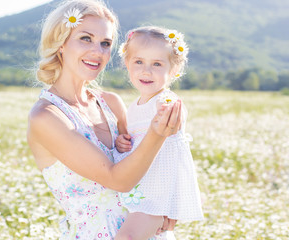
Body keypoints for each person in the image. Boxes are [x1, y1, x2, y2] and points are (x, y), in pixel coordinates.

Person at [26, 0, 183, 239]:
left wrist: (166, 203)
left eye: (105, 43)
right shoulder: (46, 117)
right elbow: (117, 180)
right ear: (61, 44)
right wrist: (157, 134)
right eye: (85, 38)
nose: (97, 52)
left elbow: (147, 164)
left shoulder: (111, 103)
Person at [113, 27, 204, 240]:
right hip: (139, 191)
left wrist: (168, 114)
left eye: (157, 64)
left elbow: (168, 132)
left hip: (156, 195)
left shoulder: (167, 101)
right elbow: (140, 143)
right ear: (127, 64)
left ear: (173, 70)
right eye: (138, 62)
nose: (146, 71)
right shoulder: (134, 106)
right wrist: (123, 142)